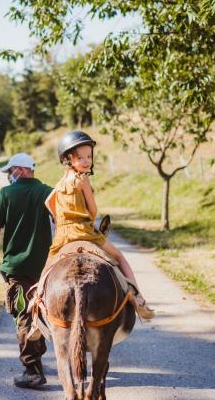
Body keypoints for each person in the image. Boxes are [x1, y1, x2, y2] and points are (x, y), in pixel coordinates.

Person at [45, 131, 155, 319]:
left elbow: (48, 203)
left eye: (89, 156)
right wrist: (85, 216)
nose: (86, 161)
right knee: (120, 258)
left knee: (47, 269)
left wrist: (61, 219)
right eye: (80, 157)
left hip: (62, 235)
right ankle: (139, 299)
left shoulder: (61, 181)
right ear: (68, 159)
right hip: (84, 231)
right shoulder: (82, 179)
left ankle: (35, 306)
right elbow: (94, 210)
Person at [0, 152, 54, 389]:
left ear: (22, 170)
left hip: (18, 267)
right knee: (42, 311)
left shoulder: (6, 194)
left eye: (10, 171)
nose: (8, 176)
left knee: (24, 315)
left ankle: (32, 370)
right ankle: (38, 355)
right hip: (45, 266)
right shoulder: (47, 192)